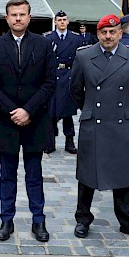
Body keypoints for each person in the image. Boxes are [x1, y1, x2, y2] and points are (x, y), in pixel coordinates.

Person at [69, 14, 129, 241]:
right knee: (87, 176)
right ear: (98, 34)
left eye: (112, 32)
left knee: (124, 176)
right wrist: (89, 110)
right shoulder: (84, 56)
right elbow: (75, 90)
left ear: (120, 34)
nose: (108, 36)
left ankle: (127, 222)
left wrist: (126, 112)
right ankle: (83, 219)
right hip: (94, 123)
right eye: (104, 32)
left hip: (122, 123)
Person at [0, 0, 56, 243]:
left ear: (29, 17)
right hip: (6, 121)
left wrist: (28, 110)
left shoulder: (44, 44)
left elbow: (49, 83)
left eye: (22, 14)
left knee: (34, 174)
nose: (17, 18)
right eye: (13, 14)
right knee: (7, 175)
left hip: (35, 121)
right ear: (6, 18)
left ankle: (38, 219)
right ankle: (6, 219)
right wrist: (14, 110)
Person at [46, 10, 82, 154]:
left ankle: (69, 141)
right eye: (59, 20)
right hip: (54, 76)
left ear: (68, 22)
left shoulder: (76, 38)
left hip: (69, 76)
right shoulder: (48, 38)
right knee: (52, 112)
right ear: (55, 22)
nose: (62, 22)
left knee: (67, 113)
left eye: (64, 20)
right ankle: (50, 142)